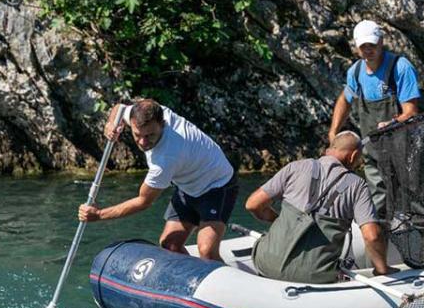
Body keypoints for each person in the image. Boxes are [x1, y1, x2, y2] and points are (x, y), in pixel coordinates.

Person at [78, 99, 238, 261]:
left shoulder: (165, 159)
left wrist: (99, 215)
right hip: (187, 185)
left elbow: (143, 201)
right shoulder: (147, 115)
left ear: (163, 124)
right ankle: (190, 282)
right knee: (170, 245)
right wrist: (111, 123)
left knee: (207, 251)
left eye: (149, 135)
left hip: (217, 185)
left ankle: (229, 283)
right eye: (137, 135)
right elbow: (119, 108)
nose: (143, 142)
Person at [245, 131, 397, 284]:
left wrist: (276, 220)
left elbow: (253, 204)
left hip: (266, 264)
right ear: (353, 156)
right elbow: (372, 236)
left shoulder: (295, 167)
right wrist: (381, 270)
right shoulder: (357, 185)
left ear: (329, 150)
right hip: (313, 276)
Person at [327, 20, 421, 216]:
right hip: (374, 154)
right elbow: (345, 98)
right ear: (357, 47)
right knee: (377, 203)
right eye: (363, 46)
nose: (368, 50)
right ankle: (379, 238)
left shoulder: (400, 67)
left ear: (381, 42)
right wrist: (334, 131)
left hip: (406, 151)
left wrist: (393, 123)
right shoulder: (356, 71)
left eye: (372, 44)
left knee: (414, 201)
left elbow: (411, 111)